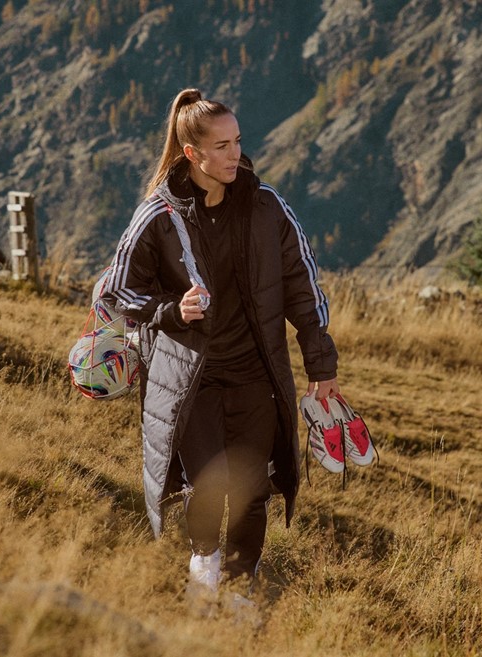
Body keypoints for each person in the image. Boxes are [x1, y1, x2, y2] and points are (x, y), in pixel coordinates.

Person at [105, 88, 340, 603]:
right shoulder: (158, 216)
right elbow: (117, 291)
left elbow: (304, 288)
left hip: (257, 375)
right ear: (193, 153)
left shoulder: (266, 207)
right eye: (222, 145)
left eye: (238, 141)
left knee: (253, 489)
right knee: (205, 488)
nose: (236, 154)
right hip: (193, 378)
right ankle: (202, 575)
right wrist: (172, 309)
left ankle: (238, 593)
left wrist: (320, 362)